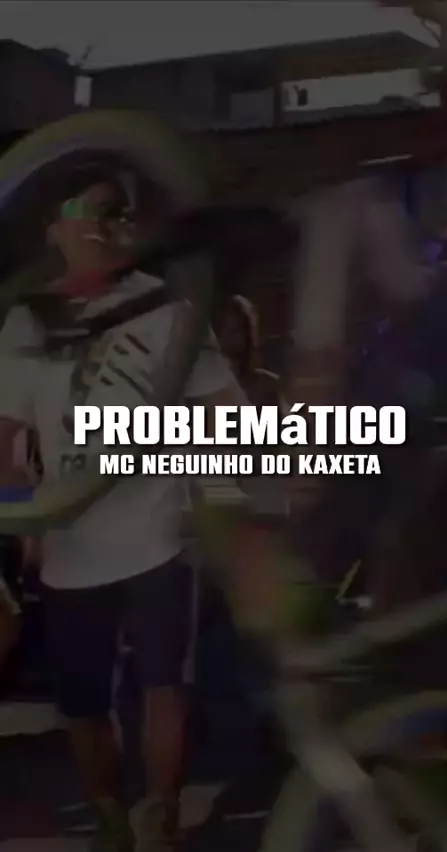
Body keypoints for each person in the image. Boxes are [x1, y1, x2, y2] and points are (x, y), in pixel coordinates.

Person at [0, 163, 248, 852]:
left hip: (160, 528)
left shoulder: (169, 310)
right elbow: (6, 436)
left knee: (166, 683)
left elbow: (224, 412)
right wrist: (22, 520)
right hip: (72, 538)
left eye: (118, 213)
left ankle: (159, 815)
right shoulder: (27, 322)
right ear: (55, 229)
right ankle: (110, 817)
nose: (106, 227)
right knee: (82, 700)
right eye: (89, 212)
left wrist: (222, 503)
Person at [215, 294, 285, 409]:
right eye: (224, 328)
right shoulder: (209, 382)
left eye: (235, 330)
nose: (227, 336)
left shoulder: (266, 385)